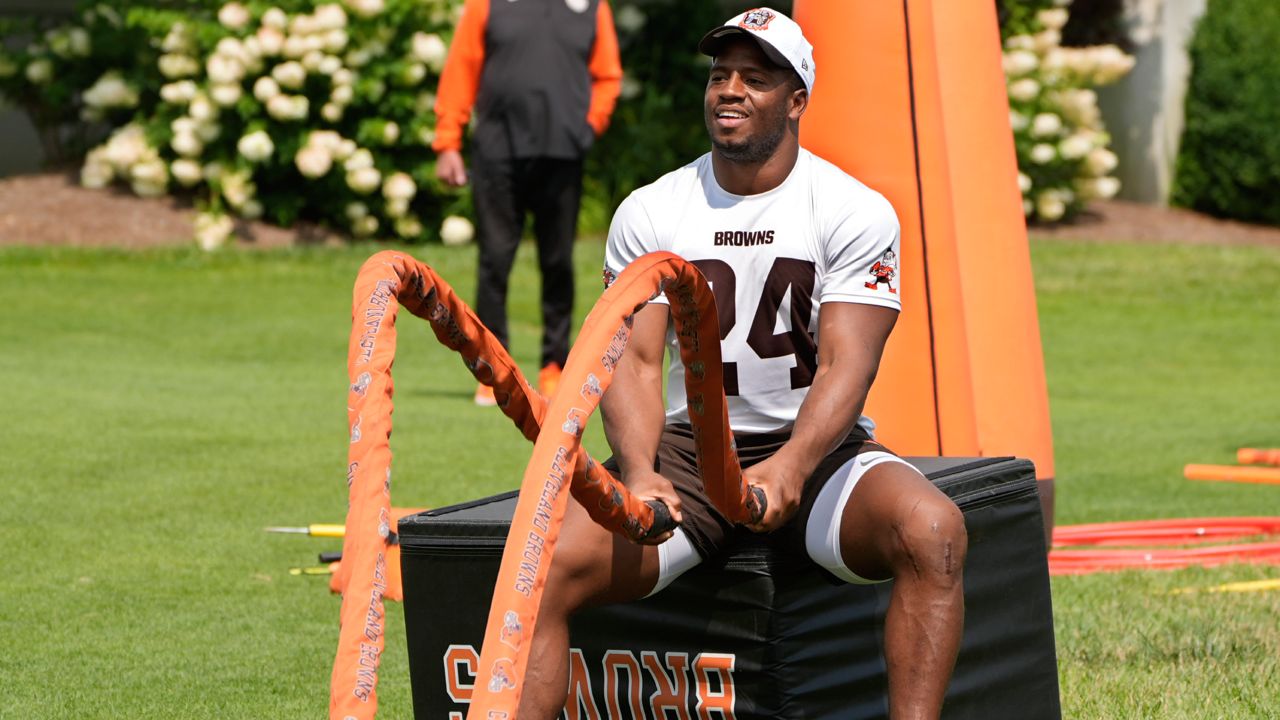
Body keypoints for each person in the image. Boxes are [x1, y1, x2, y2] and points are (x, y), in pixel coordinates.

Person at [519, 7, 968, 719]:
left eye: (754, 79)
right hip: (691, 452)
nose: (729, 90)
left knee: (933, 532)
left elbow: (847, 367)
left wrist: (790, 465)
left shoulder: (854, 209)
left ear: (796, 102)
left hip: (815, 451)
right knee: (537, 573)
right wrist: (640, 471)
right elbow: (632, 362)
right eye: (720, 75)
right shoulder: (653, 208)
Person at [432, 0, 623, 405]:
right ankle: (493, 370)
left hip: (563, 152)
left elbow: (607, 75)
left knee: (557, 262)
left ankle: (554, 367)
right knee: (495, 261)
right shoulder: (487, 4)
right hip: (497, 152)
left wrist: (591, 124)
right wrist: (448, 140)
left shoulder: (590, 6)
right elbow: (461, 69)